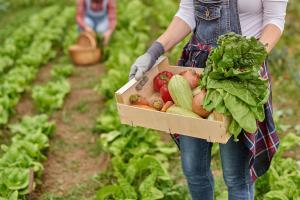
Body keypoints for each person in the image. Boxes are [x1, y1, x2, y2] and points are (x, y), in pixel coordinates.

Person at [129, 0, 288, 199]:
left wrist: (248, 61)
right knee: (193, 168)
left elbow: (274, 20)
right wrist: (153, 52)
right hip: (196, 71)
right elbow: (187, 12)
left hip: (240, 75)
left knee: (236, 176)